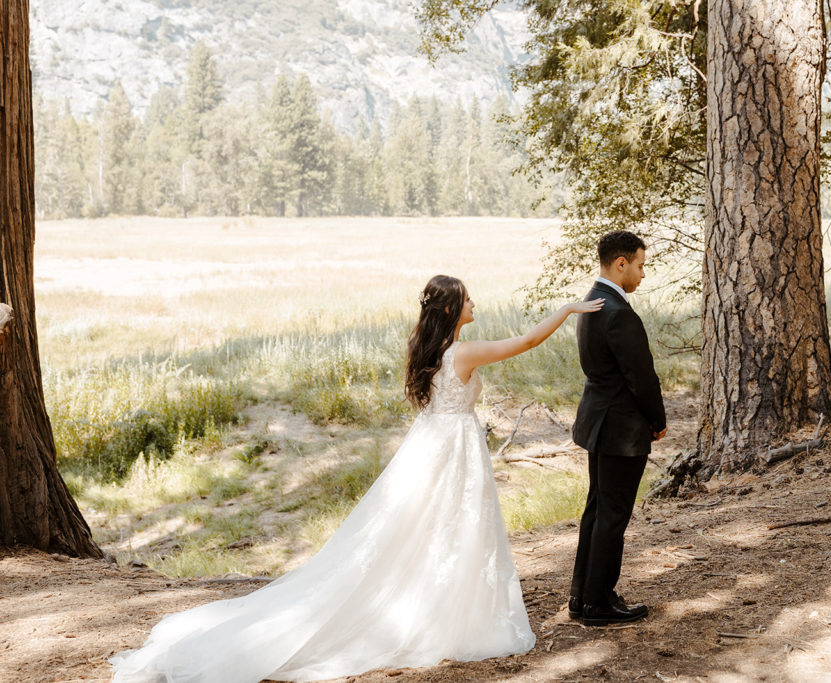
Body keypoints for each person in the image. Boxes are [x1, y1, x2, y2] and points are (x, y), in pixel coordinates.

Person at [109, 274, 603, 683]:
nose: (476, 303)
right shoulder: (460, 355)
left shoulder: (432, 350)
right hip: (450, 453)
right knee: (445, 530)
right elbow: (529, 341)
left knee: (429, 532)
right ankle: (434, 612)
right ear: (453, 309)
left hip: (437, 447)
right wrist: (567, 309)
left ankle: (431, 601)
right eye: (468, 298)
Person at [568, 231, 667, 626]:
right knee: (612, 515)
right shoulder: (618, 312)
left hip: (599, 422)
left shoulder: (592, 303)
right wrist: (657, 421)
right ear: (620, 263)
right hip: (621, 429)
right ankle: (598, 602)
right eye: (640, 265)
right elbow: (642, 377)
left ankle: (582, 595)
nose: (643, 274)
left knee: (597, 510)